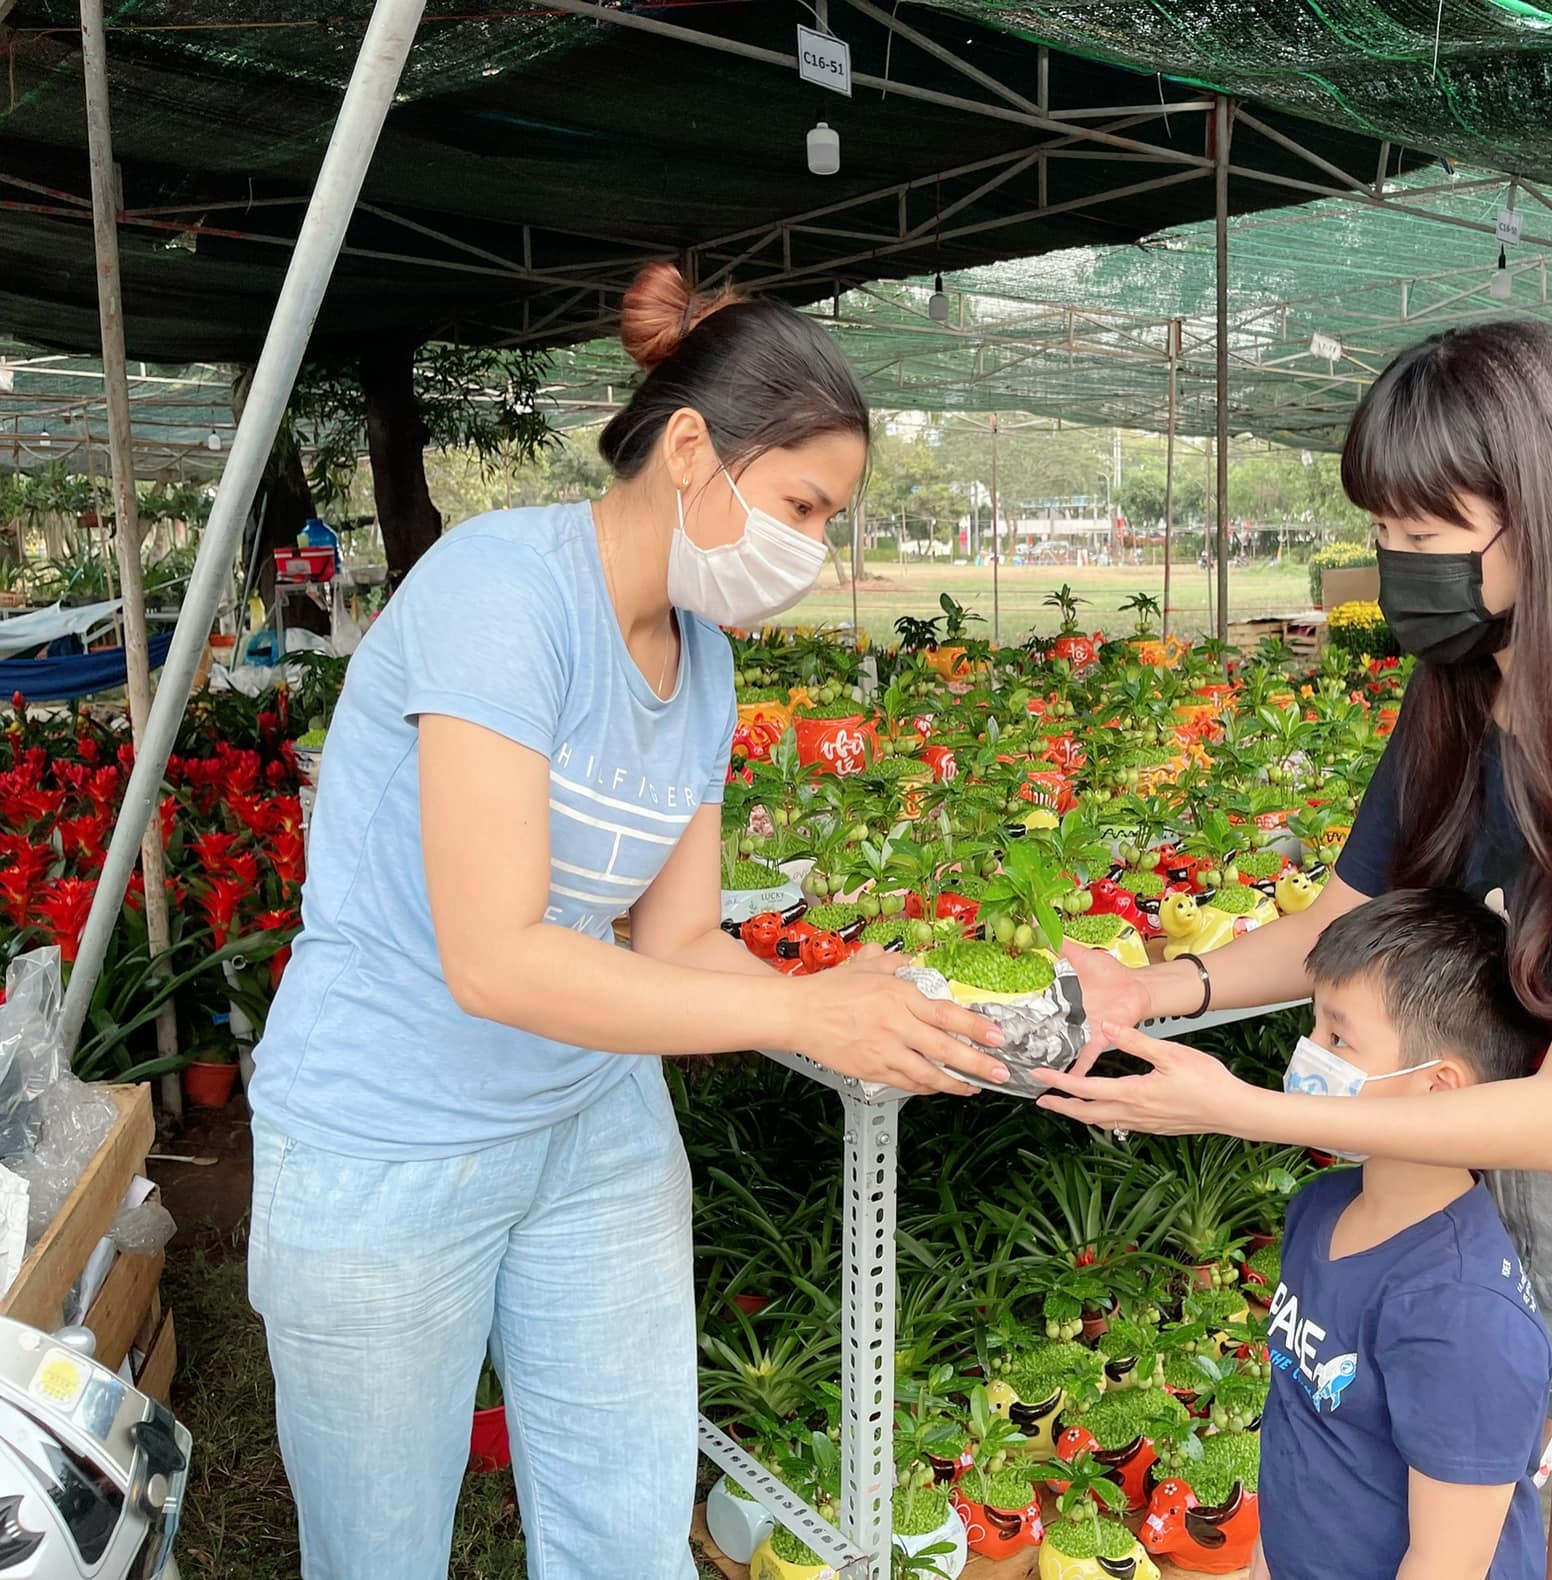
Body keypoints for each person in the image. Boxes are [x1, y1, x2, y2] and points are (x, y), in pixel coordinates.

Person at [246, 263, 1008, 1580]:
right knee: (378, 1545)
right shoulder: (504, 595)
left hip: (592, 1124)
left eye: (830, 520)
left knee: (626, 1513)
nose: (812, 552)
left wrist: (863, 1006)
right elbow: (496, 958)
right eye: (802, 507)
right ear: (692, 449)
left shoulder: (702, 658)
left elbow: (677, 942)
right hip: (390, 1137)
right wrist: (797, 1007)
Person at [1037, 318, 1552, 1580]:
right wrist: (1159, 985)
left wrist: (1239, 1107)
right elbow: (1349, 917)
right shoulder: (1463, 683)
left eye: (1425, 534)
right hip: (1473, 1161)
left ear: (1544, 513)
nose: (1396, 568)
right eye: (1383, 534)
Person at [1250, 889, 1552, 1580]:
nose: (1307, 1055)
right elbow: (1294, 1430)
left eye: (1337, 1037)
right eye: (1313, 1027)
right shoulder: (1321, 1209)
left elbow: (1446, 1562)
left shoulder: (1462, 1311)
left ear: (1439, 1087)